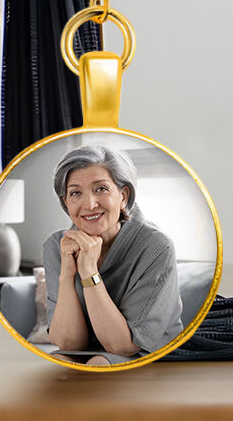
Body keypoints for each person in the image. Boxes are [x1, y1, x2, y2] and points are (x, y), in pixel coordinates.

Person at [43, 145, 183, 366]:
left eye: (101, 189)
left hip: (149, 350)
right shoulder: (57, 246)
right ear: (66, 203)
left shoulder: (156, 246)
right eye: (75, 193)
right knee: (57, 363)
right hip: (93, 348)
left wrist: (89, 271)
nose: (89, 204)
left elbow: (123, 346)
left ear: (123, 196)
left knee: (98, 364)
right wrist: (67, 276)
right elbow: (68, 343)